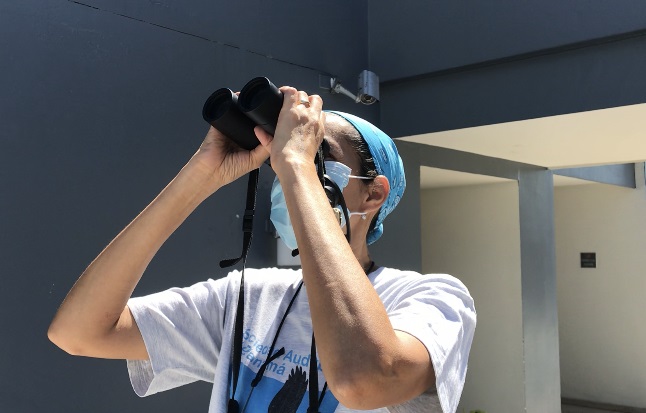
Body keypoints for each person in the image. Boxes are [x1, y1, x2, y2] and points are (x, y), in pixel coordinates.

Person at [48, 87, 476, 413]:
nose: (290, 161)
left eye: (318, 154)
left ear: (373, 195)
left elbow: (363, 379)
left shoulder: (433, 299)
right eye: (284, 153)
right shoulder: (246, 297)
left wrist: (295, 165)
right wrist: (201, 177)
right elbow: (78, 332)